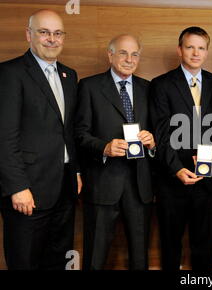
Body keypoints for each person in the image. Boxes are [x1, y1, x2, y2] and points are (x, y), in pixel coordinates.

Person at [0, 9, 81, 270]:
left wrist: (76, 170)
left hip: (64, 188)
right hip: (28, 191)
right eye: (44, 32)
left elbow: (67, 130)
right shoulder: (10, 73)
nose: (51, 39)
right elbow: (4, 135)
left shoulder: (70, 75)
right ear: (29, 35)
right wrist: (17, 186)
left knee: (58, 259)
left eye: (58, 33)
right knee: (25, 261)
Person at [75, 34, 155, 270]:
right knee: (95, 257)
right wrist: (104, 148)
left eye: (135, 54)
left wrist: (153, 141)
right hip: (102, 182)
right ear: (110, 55)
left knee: (140, 257)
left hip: (140, 185)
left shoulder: (148, 88)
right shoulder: (89, 86)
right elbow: (79, 133)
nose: (129, 59)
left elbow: (160, 130)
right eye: (123, 53)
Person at [150, 27, 212, 270]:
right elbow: (161, 133)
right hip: (172, 180)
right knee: (170, 245)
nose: (195, 53)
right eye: (190, 47)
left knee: (205, 244)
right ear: (179, 50)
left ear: (206, 52)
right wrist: (177, 169)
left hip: (208, 181)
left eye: (201, 48)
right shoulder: (161, 85)